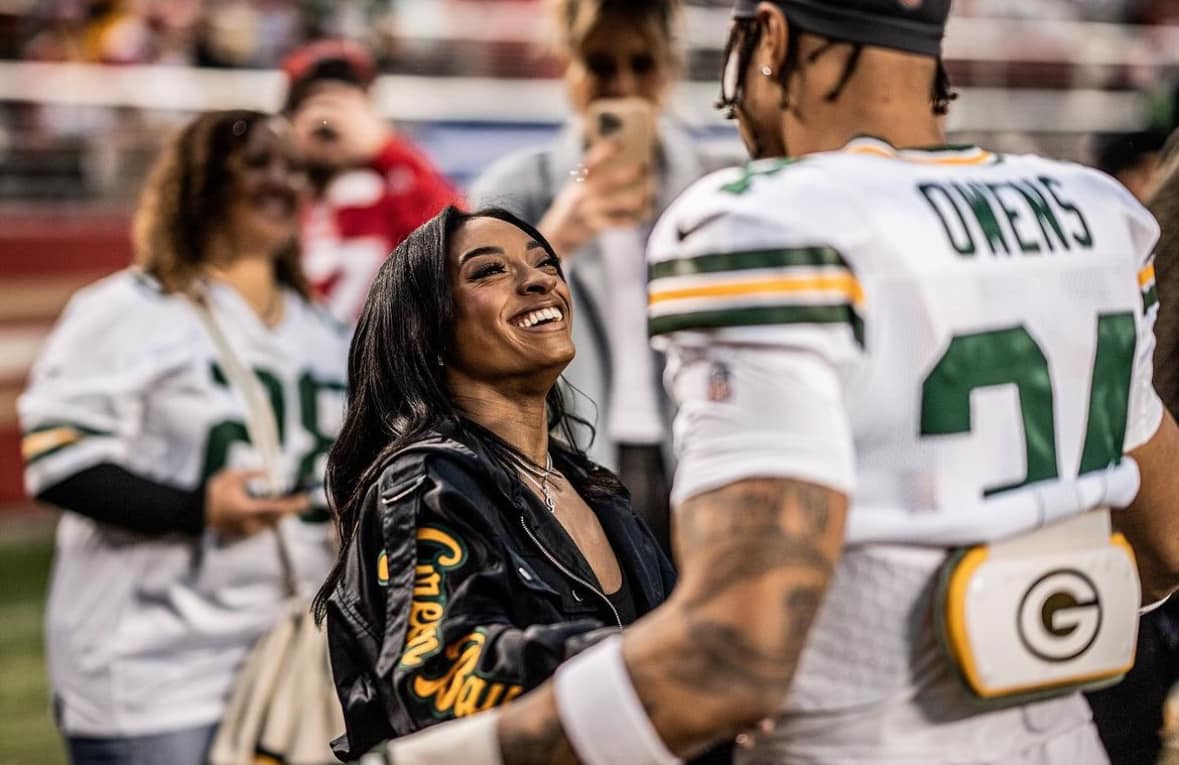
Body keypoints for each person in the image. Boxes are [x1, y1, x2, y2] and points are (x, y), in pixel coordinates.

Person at [381, 1, 1179, 764]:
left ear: (769, 39)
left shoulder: (764, 218)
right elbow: (1164, 540)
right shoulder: (1094, 209)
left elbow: (731, 658)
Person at [316, 206, 711, 759]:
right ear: (428, 329)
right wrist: (643, 656)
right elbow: (437, 680)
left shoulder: (598, 489)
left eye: (545, 263)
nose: (538, 279)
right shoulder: (426, 480)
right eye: (487, 272)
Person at [18, 109, 349, 765]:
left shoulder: (323, 330)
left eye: (294, 168)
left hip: (291, 645)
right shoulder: (126, 309)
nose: (282, 181)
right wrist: (196, 508)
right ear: (199, 181)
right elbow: (58, 458)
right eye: (257, 163)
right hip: (154, 666)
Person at [468, 0, 726, 551]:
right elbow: (462, 334)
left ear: (669, 69)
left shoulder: (713, 188)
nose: (622, 85)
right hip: (567, 453)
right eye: (601, 64)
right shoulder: (517, 188)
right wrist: (552, 240)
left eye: (641, 63)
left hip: (695, 448)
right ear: (568, 67)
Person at [283, 38, 462, 324]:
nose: (330, 120)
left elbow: (458, 244)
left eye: (346, 103)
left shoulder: (398, 185)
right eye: (313, 102)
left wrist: (385, 149)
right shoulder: (272, 193)